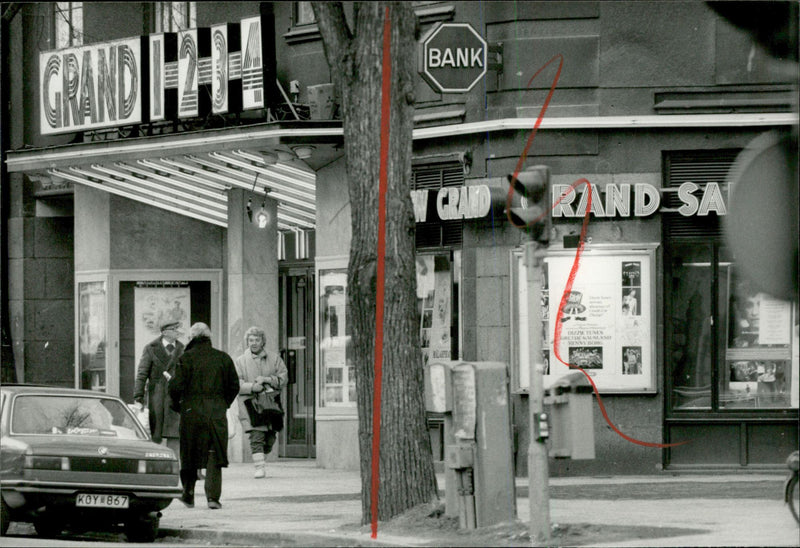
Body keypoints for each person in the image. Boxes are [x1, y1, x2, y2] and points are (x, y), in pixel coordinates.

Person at [169, 322, 239, 510]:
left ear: (191, 338)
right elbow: (234, 386)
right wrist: (223, 403)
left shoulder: (186, 358)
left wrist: (178, 406)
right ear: (209, 337)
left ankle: (189, 494)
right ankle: (213, 498)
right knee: (214, 453)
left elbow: (175, 387)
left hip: (191, 411)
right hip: (215, 412)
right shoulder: (223, 358)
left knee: (189, 452)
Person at [234, 326, 288, 479]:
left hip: (270, 404)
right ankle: (259, 467)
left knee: (270, 437)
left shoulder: (274, 358)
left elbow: (284, 378)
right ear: (247, 342)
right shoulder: (240, 361)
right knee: (256, 435)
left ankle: (261, 457)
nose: (254, 343)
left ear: (263, 341)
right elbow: (235, 383)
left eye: (257, 340)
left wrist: (267, 380)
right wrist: (252, 387)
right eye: (251, 340)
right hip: (250, 405)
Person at [133, 320, 184, 458]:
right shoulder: (151, 348)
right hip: (157, 395)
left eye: (177, 329)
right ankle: (158, 462)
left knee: (175, 433)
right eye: (174, 329)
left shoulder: (183, 349)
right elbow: (142, 373)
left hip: (176, 397)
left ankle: (174, 463)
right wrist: (138, 396)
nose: (177, 332)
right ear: (165, 332)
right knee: (157, 432)